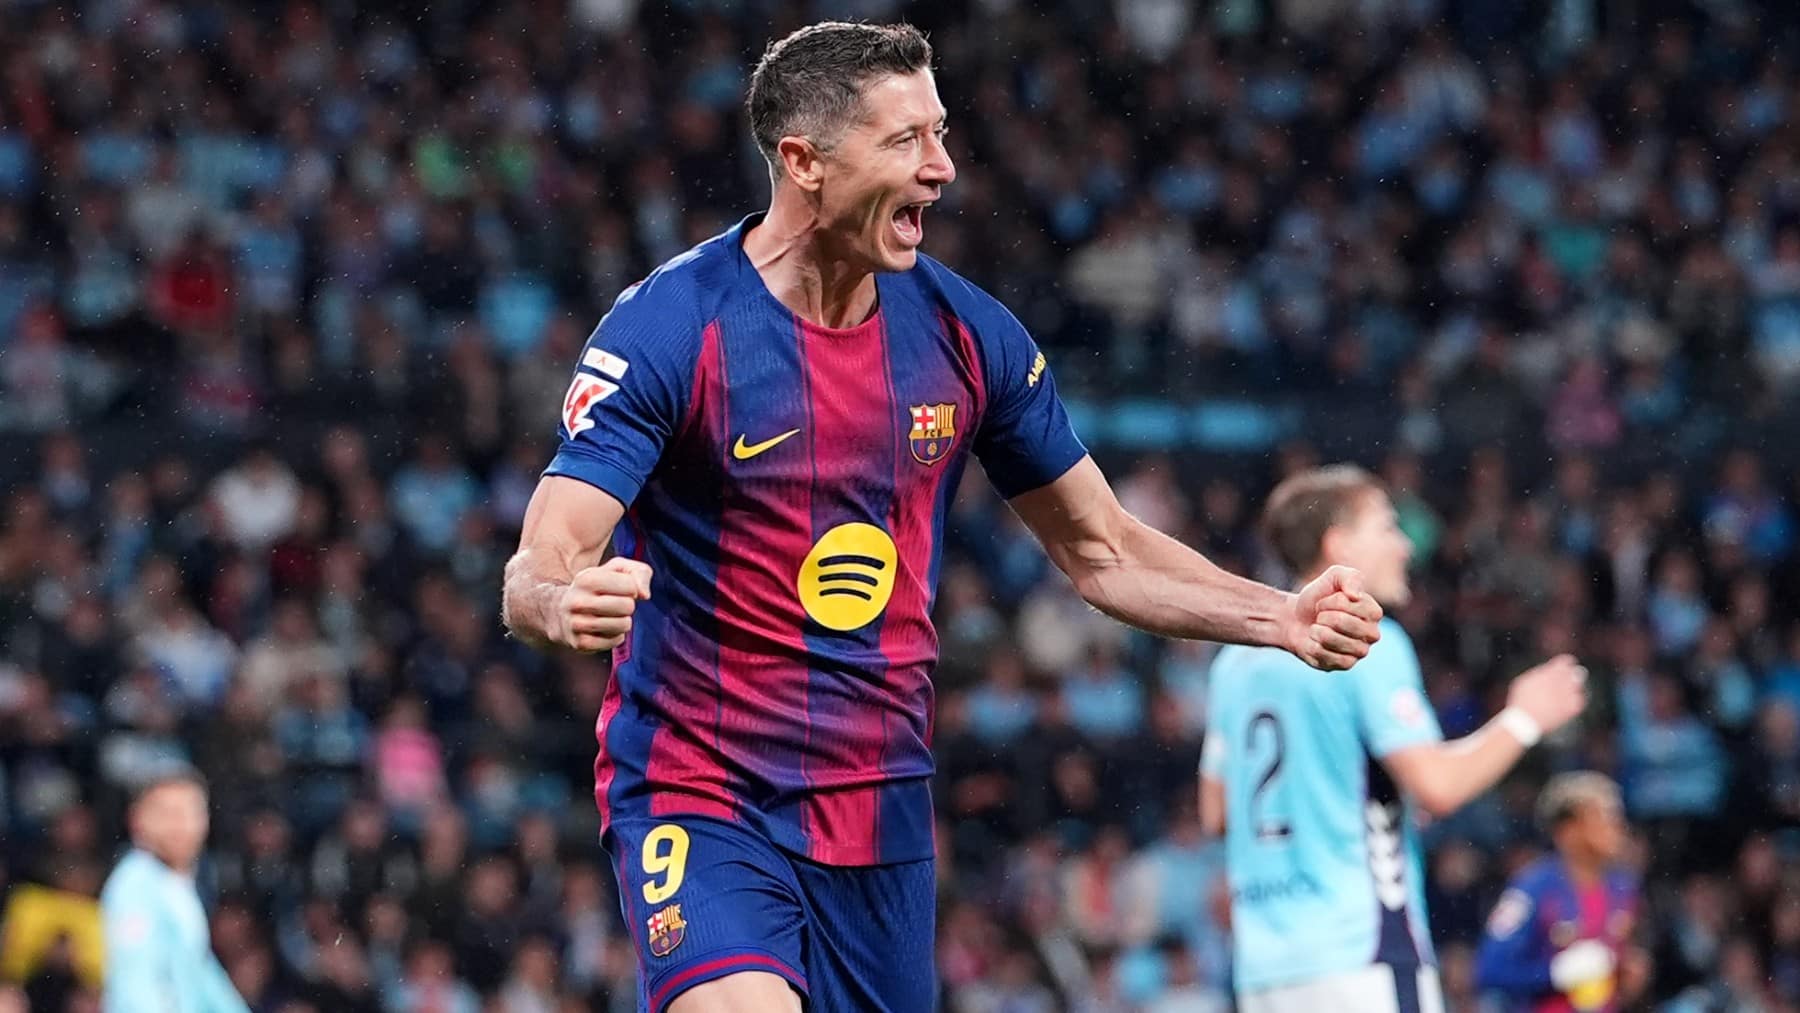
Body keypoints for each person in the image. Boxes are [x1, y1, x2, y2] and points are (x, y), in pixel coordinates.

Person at [499, 22, 1384, 1013]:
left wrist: (1282, 617)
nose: (943, 168)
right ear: (806, 163)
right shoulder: (672, 328)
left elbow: (1102, 548)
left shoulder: (967, 334)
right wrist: (561, 599)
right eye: (907, 140)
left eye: (942, 133)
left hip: (880, 809)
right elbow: (546, 552)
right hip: (702, 789)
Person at [1200, 465, 1588, 1012]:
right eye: (1386, 526)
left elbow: (1216, 812)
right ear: (1338, 543)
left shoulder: (1233, 662)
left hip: (1266, 972)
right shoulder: (1363, 639)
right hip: (1361, 957)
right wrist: (1523, 718)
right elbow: (1437, 787)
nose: (1404, 544)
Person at [1476, 772, 1646, 1012]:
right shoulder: (1532, 888)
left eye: (1618, 817)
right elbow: (1490, 971)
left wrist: (1627, 972)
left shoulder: (1624, 888)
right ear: (1568, 830)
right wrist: (1553, 974)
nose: (1617, 827)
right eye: (1604, 817)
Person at [99, 769, 248, 1013]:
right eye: (168, 814)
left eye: (191, 812)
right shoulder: (134, 887)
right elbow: (137, 989)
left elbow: (203, 978)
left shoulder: (176, 883)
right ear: (137, 820)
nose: (182, 825)